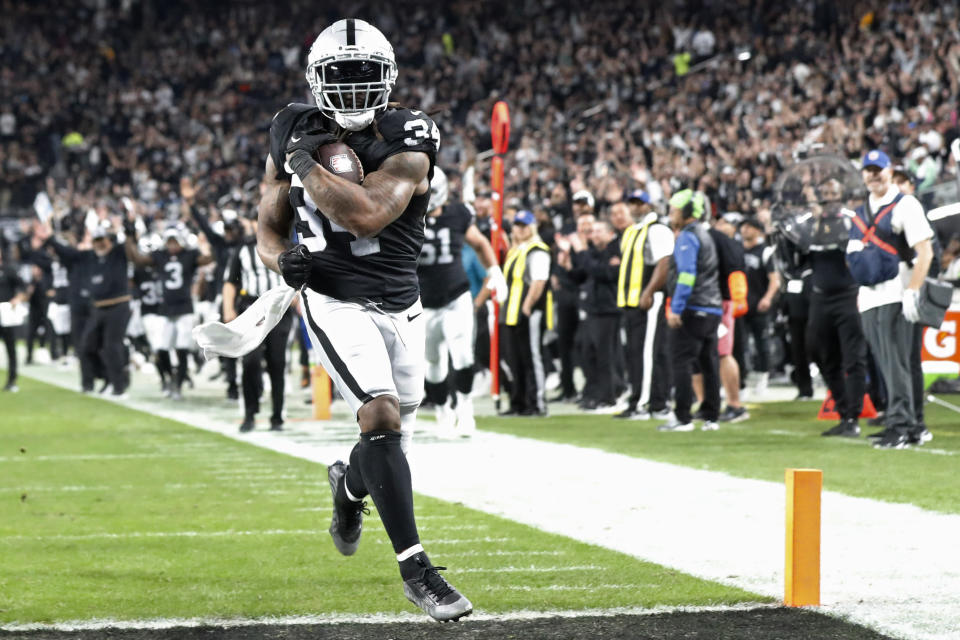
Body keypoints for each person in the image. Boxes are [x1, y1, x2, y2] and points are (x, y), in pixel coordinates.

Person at [255, 19, 471, 621]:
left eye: (363, 76)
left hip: (401, 299)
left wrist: (309, 167)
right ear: (316, 80)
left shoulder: (410, 131)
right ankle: (417, 570)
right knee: (378, 413)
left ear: (388, 79)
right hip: (332, 295)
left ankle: (348, 490)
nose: (351, 89)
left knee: (392, 428)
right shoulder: (290, 127)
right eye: (340, 76)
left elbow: (371, 215)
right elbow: (268, 230)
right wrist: (283, 261)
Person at [848, 150, 934, 449]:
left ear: (889, 171)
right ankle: (909, 424)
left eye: (878, 170)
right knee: (889, 363)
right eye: (868, 170)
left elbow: (926, 251)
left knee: (899, 362)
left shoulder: (905, 204)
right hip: (870, 296)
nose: (873, 175)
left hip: (897, 293)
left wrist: (912, 290)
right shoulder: (861, 213)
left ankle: (901, 425)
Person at [417, 168, 505, 435]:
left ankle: (465, 409)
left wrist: (495, 273)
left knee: (463, 355)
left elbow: (479, 243)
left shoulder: (457, 214)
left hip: (456, 296)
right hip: (423, 302)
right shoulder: (403, 215)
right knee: (432, 364)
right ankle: (443, 410)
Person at [658, 189, 722, 432]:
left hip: (693, 307)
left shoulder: (687, 237)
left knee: (681, 362)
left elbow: (686, 275)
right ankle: (711, 415)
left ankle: (682, 417)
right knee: (709, 362)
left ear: (685, 212)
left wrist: (676, 307)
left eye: (674, 209)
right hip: (711, 308)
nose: (671, 214)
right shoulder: (705, 234)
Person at [125, 222, 213, 400]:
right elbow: (138, 260)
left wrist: (213, 239)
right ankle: (170, 377)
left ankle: (178, 386)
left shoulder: (190, 255)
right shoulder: (160, 256)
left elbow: (209, 258)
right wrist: (129, 239)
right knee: (161, 349)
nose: (172, 245)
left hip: (185, 308)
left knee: (181, 349)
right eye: (170, 242)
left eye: (175, 242)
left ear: (181, 241)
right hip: (165, 310)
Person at [48, 224, 131, 396]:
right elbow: (67, 253)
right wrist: (50, 238)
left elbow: (130, 241)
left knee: (111, 347)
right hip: (98, 308)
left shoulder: (118, 254)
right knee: (87, 346)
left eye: (102, 240)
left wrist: (129, 225)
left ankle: (119, 387)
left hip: (118, 305)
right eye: (96, 241)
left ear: (110, 241)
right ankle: (105, 379)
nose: (99, 244)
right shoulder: (89, 257)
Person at [224, 222, 291, 433]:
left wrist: (296, 296)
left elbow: (297, 275)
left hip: (279, 307)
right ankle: (250, 414)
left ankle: (277, 416)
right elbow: (230, 281)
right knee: (250, 361)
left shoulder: (285, 245)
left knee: (277, 362)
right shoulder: (243, 248)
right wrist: (228, 308)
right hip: (251, 307)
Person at [614, 199, 674, 419]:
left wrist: (648, 291)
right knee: (636, 352)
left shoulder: (657, 229)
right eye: (633, 203)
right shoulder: (632, 231)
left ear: (650, 206)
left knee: (649, 353)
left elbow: (665, 262)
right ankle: (644, 398)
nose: (635, 207)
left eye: (640, 203)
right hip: (631, 301)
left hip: (649, 300)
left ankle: (646, 402)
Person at [499, 209, 551, 416]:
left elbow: (539, 281)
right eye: (517, 225)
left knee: (532, 358)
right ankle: (518, 402)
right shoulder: (517, 250)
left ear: (532, 228)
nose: (519, 229)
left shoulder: (537, 250)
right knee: (515, 359)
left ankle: (537, 402)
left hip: (528, 312)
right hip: (511, 313)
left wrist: (527, 305)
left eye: (523, 226)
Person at [567, 218, 621, 411]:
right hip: (592, 309)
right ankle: (593, 393)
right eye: (593, 231)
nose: (594, 235)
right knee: (587, 352)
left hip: (608, 309)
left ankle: (608, 396)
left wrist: (581, 251)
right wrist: (567, 266)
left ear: (610, 233)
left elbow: (603, 273)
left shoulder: (615, 250)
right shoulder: (593, 253)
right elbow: (582, 276)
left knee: (604, 355)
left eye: (599, 231)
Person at [739, 217, 780, 397]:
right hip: (740, 305)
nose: (744, 230)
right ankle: (741, 382)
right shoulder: (737, 250)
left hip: (758, 304)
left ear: (758, 230)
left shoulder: (765, 252)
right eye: (744, 226)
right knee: (739, 345)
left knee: (762, 342)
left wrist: (768, 298)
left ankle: (763, 377)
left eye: (749, 227)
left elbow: (774, 279)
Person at [0, 244, 29, 391]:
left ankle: (12, 381)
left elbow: (24, 287)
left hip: (6, 313)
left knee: (11, 348)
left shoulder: (8, 270)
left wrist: (18, 298)